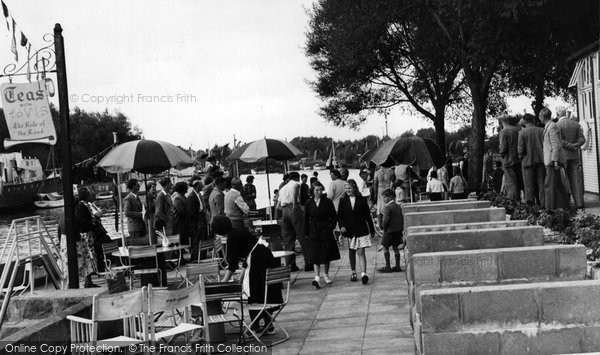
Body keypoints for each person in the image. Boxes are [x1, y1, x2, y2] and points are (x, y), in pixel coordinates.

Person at [217, 216, 282, 334]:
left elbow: (232, 265)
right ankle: (267, 324)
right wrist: (241, 277)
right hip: (265, 256)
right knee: (263, 291)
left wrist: (223, 282)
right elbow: (249, 255)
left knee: (254, 292)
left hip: (258, 261)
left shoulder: (231, 237)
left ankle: (256, 325)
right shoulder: (238, 231)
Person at [337, 179, 375, 284]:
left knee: (361, 251)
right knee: (351, 251)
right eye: (346, 188)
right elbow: (339, 216)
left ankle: (364, 274)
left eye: (349, 188)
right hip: (348, 230)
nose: (347, 190)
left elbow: (367, 215)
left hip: (361, 229)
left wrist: (371, 229)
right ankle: (353, 272)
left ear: (354, 188)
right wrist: (342, 226)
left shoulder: (362, 200)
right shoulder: (343, 200)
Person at [60, 187, 98, 288]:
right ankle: (82, 284)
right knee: (82, 265)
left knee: (68, 269)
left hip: (64, 245)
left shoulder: (63, 215)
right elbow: (81, 226)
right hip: (75, 245)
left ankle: (69, 285)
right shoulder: (75, 216)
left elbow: (59, 230)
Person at [304, 181, 340, 288]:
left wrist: (331, 226)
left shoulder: (328, 202)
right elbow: (306, 219)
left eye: (320, 189)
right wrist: (306, 232)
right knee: (315, 253)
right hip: (314, 230)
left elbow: (334, 216)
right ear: (312, 191)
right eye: (316, 190)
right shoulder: (309, 203)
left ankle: (326, 274)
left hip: (326, 230)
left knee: (326, 253)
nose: (319, 192)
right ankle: (317, 277)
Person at [540, 107, 569, 210]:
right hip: (551, 160)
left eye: (540, 116)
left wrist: (555, 161)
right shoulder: (549, 126)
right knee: (558, 186)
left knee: (550, 186)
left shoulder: (552, 127)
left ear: (543, 116)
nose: (539, 118)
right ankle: (564, 206)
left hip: (552, 161)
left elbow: (556, 145)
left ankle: (550, 209)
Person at [557, 106, 586, 209]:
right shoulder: (576, 124)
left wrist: (570, 146)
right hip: (574, 155)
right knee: (576, 179)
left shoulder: (557, 125)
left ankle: (566, 203)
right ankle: (579, 203)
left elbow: (559, 140)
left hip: (563, 155)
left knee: (564, 180)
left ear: (557, 114)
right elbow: (582, 139)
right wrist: (575, 145)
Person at [278, 172, 307, 272]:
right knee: (302, 235)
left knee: (288, 239)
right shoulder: (296, 184)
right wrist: (295, 205)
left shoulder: (282, 188)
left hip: (284, 211)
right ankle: (308, 263)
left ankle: (290, 265)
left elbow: (278, 204)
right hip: (293, 208)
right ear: (296, 177)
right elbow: (296, 195)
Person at [518, 113, 545, 205]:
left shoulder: (522, 133)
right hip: (541, 160)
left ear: (524, 122)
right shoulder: (542, 130)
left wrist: (521, 157)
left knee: (528, 185)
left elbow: (520, 149)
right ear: (533, 120)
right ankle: (543, 204)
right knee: (541, 184)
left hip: (527, 161)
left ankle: (530, 206)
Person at [379, 189, 403, 273]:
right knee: (395, 247)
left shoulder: (387, 207)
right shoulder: (398, 206)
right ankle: (397, 266)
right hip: (398, 230)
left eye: (385, 197)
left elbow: (385, 220)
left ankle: (388, 266)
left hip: (389, 231)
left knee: (385, 247)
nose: (383, 199)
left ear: (390, 197)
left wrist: (382, 226)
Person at [499, 114, 521, 200]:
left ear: (501, 122)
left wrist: (500, 149)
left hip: (509, 160)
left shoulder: (503, 132)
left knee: (511, 183)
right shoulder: (517, 129)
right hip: (519, 159)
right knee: (519, 182)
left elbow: (503, 149)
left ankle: (513, 202)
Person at [186, 180, 208, 262]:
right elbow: (191, 212)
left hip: (201, 218)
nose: (203, 186)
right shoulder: (192, 196)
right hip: (197, 221)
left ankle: (201, 256)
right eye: (201, 184)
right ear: (197, 185)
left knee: (202, 238)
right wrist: (197, 222)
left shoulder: (198, 194)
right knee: (197, 239)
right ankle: (196, 257)